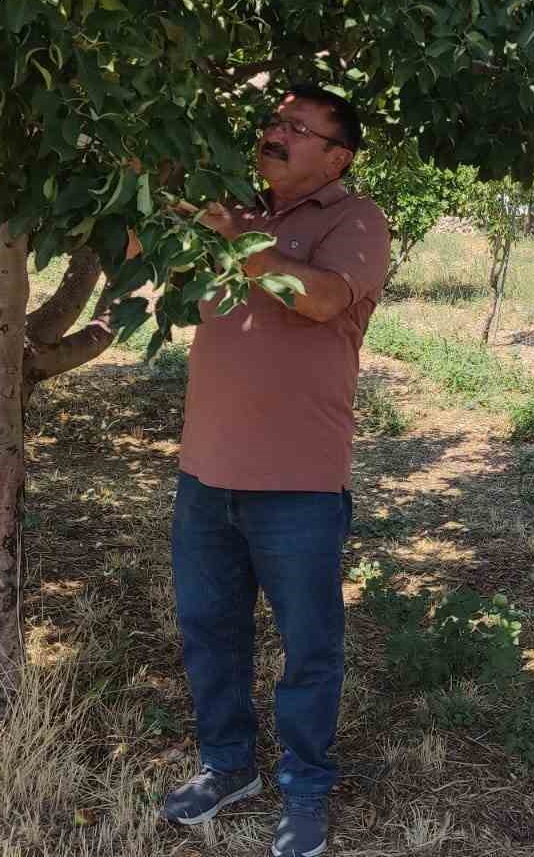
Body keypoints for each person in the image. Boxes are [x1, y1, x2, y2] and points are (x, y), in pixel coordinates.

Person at [158, 84, 389, 857]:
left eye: (298, 126)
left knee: (308, 646)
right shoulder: (235, 210)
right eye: (274, 120)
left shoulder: (356, 220)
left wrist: (242, 246)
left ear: (337, 156)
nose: (276, 132)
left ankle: (306, 786)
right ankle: (227, 766)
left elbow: (319, 299)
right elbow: (139, 244)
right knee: (209, 632)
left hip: (299, 485)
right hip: (206, 474)